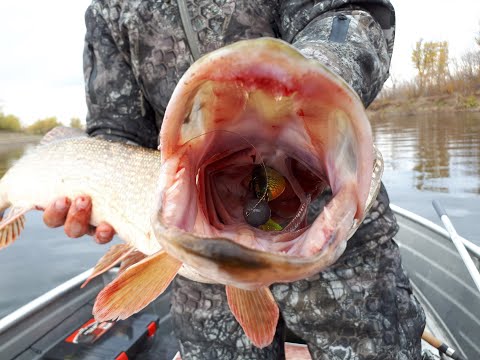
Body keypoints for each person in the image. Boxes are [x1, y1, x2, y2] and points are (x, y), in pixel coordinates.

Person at [43, 1, 426, 359]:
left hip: (338, 234)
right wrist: (98, 197)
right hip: (195, 263)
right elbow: (116, 128)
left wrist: (306, 81)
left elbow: (346, 11)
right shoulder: (110, 9)